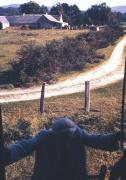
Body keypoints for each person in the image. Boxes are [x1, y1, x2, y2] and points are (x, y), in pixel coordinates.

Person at [4, 117, 122, 180]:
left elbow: (98, 140)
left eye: (67, 136)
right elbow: (24, 146)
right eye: (62, 137)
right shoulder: (46, 136)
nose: (65, 140)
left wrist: (116, 137)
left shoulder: (78, 134)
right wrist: (7, 153)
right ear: (54, 133)